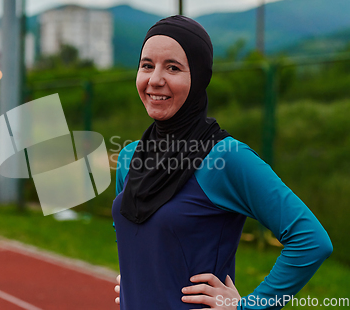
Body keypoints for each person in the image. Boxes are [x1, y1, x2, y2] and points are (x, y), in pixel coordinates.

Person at [111, 15, 332, 310]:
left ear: (199, 76)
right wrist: (137, 280)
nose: (155, 80)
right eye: (147, 65)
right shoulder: (129, 157)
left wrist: (249, 306)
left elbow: (311, 241)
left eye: (173, 67)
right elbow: (131, 232)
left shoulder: (225, 158)